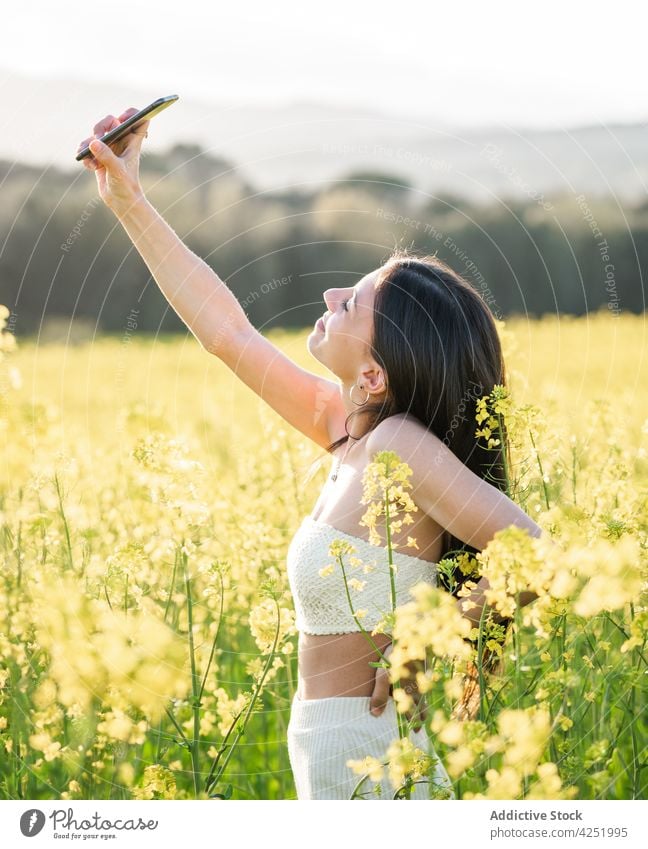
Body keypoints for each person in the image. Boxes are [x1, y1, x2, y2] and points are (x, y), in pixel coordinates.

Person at [77, 110, 541, 800]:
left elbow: (532, 549)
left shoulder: (398, 445)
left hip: (375, 762)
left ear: (376, 375)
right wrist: (129, 202)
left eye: (350, 301)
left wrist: (434, 636)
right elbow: (227, 332)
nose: (329, 295)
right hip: (335, 755)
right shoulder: (349, 431)